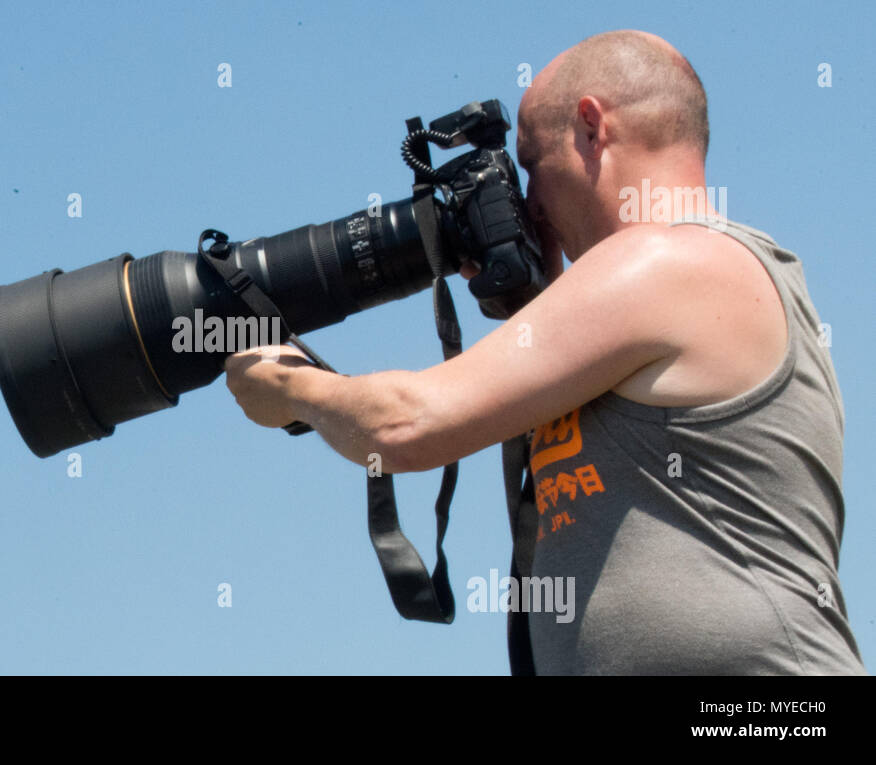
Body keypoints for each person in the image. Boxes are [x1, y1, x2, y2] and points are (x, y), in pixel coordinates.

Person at [222, 29, 866, 675]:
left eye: (530, 165)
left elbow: (403, 424)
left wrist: (287, 385)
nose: (529, 205)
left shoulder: (673, 259)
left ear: (592, 127)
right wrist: (538, 304)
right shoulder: (672, 288)